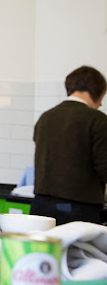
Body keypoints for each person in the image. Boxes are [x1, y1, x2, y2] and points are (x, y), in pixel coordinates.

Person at [30, 65, 107, 225]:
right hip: (78, 210)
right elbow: (104, 167)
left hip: (40, 207)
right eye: (102, 97)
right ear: (96, 91)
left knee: (42, 251)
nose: (100, 104)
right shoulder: (97, 119)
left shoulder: (45, 117)